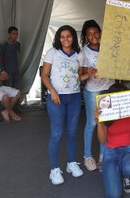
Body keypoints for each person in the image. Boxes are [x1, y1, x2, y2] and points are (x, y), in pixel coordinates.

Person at [41, 25, 84, 185]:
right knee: (57, 133)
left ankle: (71, 163)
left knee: (72, 132)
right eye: (62, 36)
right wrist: (52, 91)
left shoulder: (78, 55)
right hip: (56, 98)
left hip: (74, 97)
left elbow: (77, 77)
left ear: (74, 37)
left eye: (69, 36)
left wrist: (91, 73)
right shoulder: (53, 53)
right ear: (58, 38)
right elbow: (44, 75)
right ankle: (54, 169)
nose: (66, 39)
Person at [95, 83, 130, 198]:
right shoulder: (107, 112)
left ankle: (125, 175)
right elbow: (102, 140)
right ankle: (117, 168)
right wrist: (99, 120)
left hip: (128, 148)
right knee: (114, 195)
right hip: (111, 152)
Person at [80, 19, 115, 171]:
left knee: (105, 122)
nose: (93, 36)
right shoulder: (84, 52)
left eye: (95, 32)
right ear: (86, 37)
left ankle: (103, 155)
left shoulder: (108, 48)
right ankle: (87, 156)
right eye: (89, 34)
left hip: (108, 88)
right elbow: (79, 73)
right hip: (93, 90)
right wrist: (88, 72)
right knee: (92, 123)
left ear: (100, 33)